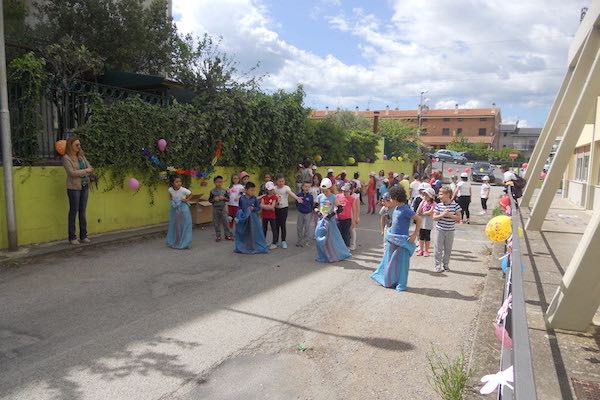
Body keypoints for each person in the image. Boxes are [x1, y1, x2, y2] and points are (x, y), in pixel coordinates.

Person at [371, 186, 421, 292]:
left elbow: (419, 219)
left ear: (396, 198)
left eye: (391, 198)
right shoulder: (396, 208)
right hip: (392, 239)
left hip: (402, 241)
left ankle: (401, 284)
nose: (390, 200)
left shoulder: (406, 210)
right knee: (390, 261)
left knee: (402, 264)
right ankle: (390, 280)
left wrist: (414, 235)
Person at [62, 137, 93, 245]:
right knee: (73, 211)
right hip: (74, 188)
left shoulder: (81, 156)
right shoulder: (66, 158)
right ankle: (72, 237)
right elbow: (72, 173)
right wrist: (85, 171)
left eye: (79, 145)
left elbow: (90, 167)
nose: (79, 147)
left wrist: (84, 171)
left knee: (82, 211)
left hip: (84, 186)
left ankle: (83, 236)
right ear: (70, 146)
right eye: (76, 145)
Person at [315, 178, 351, 263]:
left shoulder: (333, 197)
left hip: (330, 221)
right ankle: (323, 255)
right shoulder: (320, 197)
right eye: (323, 190)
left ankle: (336, 254)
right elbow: (315, 206)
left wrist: (331, 214)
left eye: (326, 191)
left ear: (330, 188)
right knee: (319, 238)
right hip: (321, 220)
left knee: (333, 239)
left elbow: (340, 209)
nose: (324, 192)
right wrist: (318, 212)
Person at [433, 187, 462, 272]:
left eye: (441, 194)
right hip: (440, 230)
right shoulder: (439, 205)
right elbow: (434, 217)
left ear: (448, 195)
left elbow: (459, 218)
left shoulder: (455, 205)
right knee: (438, 248)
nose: (439, 196)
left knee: (448, 249)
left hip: (450, 230)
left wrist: (450, 215)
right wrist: (442, 215)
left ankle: (446, 265)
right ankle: (437, 266)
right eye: (439, 194)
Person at [234, 182, 268, 254]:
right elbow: (239, 208)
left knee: (253, 233)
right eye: (251, 190)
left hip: (253, 219)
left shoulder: (254, 198)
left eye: (254, 190)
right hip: (244, 219)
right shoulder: (242, 198)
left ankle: (253, 246)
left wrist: (253, 209)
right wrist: (237, 216)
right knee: (244, 233)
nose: (253, 192)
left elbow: (258, 208)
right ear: (246, 190)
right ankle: (244, 246)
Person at [273, 175, 303, 249]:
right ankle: (275, 241)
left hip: (284, 208)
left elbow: (291, 193)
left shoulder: (286, 188)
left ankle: (283, 241)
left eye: (282, 181)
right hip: (276, 208)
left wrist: (297, 198)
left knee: (282, 224)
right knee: (276, 225)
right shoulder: (274, 188)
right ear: (276, 181)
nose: (281, 183)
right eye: (279, 181)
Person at [166, 175, 193, 250]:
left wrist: (186, 200)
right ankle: (174, 241)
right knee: (174, 225)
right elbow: (170, 195)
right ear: (172, 183)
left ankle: (185, 243)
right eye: (176, 182)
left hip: (184, 208)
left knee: (185, 225)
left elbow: (191, 194)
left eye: (180, 181)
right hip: (175, 208)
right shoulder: (170, 189)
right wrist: (172, 201)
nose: (179, 183)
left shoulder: (183, 190)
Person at [208, 175, 232, 242]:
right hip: (215, 208)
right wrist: (214, 199)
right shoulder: (212, 191)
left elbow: (228, 199)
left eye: (220, 182)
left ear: (222, 182)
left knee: (226, 222)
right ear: (214, 183)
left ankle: (227, 235)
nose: (219, 183)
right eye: (217, 182)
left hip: (223, 208)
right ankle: (218, 236)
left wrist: (224, 198)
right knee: (216, 222)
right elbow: (210, 200)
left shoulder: (224, 191)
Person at [416, 188, 436, 257]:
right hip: (421, 222)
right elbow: (418, 211)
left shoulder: (434, 203)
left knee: (427, 237)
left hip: (428, 222)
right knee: (421, 237)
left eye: (426, 195)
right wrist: (422, 202)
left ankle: (426, 250)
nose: (425, 197)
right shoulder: (423, 202)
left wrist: (422, 213)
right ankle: (421, 250)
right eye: (424, 195)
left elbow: (431, 211)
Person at [336, 183, 356, 248]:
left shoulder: (352, 199)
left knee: (346, 233)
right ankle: (340, 247)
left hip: (347, 219)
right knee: (339, 233)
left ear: (350, 191)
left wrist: (354, 220)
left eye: (346, 191)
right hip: (338, 218)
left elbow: (354, 210)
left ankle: (347, 246)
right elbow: (335, 205)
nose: (345, 193)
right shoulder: (338, 196)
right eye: (344, 191)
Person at [261, 181, 278, 249]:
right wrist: (269, 207)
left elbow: (272, 206)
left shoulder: (274, 197)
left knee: (274, 229)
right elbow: (261, 205)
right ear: (266, 190)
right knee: (264, 229)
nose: (270, 191)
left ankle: (274, 243)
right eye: (269, 190)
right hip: (264, 216)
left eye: (272, 189)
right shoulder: (264, 197)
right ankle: (263, 242)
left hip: (272, 216)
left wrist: (265, 206)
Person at [296, 182, 314, 247]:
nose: (307, 188)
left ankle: (306, 241)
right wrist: (299, 209)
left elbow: (311, 204)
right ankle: (299, 241)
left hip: (308, 214)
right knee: (299, 227)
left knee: (307, 227)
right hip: (300, 213)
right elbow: (297, 203)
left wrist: (310, 210)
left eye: (308, 187)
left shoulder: (310, 196)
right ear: (302, 187)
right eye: (305, 186)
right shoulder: (298, 195)